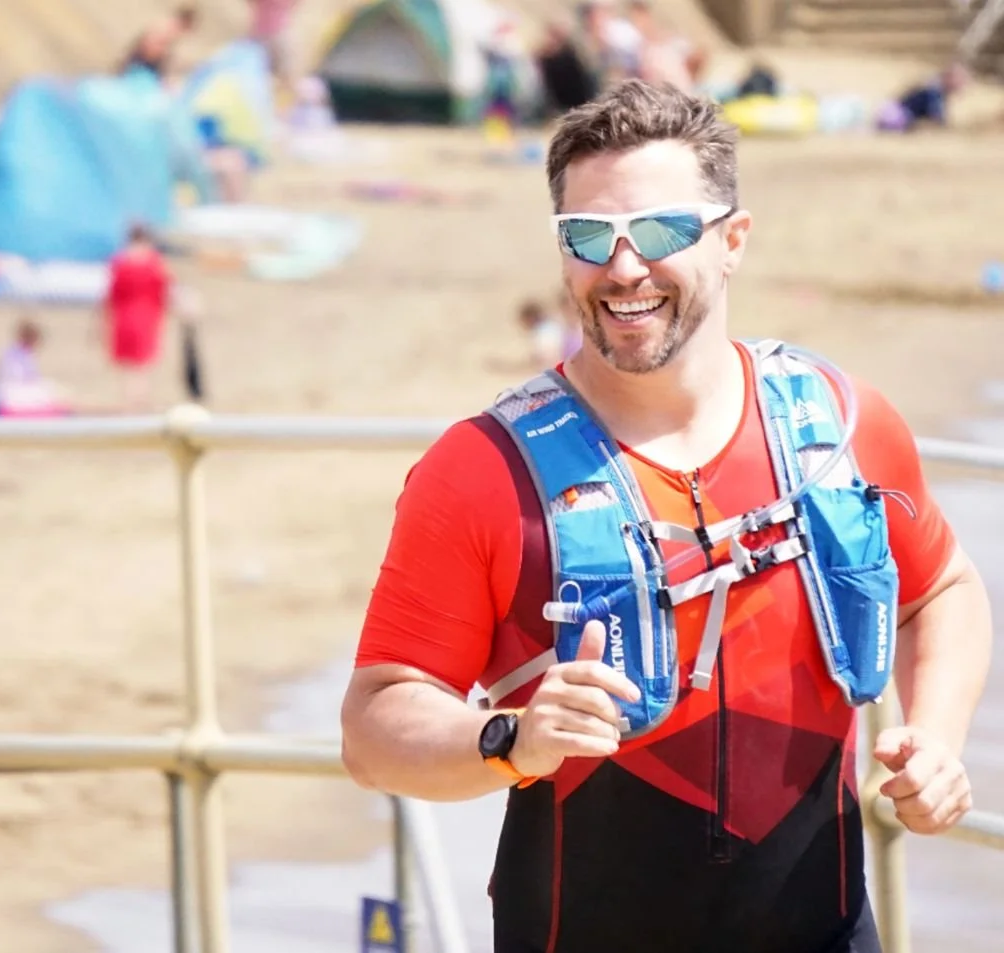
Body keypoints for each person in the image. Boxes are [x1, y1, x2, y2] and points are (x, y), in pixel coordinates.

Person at [340, 81, 990, 953]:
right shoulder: (481, 472)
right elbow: (373, 727)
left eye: (659, 231)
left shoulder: (839, 429)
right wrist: (510, 738)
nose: (622, 269)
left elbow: (939, 589)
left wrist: (937, 740)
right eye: (588, 236)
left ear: (733, 241)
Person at [103, 223, 172, 412]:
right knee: (143, 362)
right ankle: (140, 400)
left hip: (123, 314)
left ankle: (130, 400)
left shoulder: (120, 261)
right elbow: (164, 289)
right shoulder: (154, 262)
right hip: (147, 314)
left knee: (128, 363)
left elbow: (112, 293)